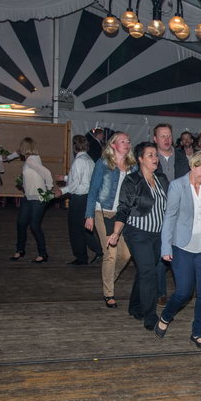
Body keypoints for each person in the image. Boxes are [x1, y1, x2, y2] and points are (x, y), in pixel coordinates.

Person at [154, 151, 201, 346]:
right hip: (182, 246)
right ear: (193, 166)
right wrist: (166, 247)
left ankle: (197, 332)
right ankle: (166, 316)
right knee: (184, 292)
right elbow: (170, 217)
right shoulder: (177, 186)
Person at [107, 142, 169, 331]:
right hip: (138, 233)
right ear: (140, 159)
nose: (155, 158)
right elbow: (123, 208)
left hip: (158, 234)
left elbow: (170, 206)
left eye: (156, 155)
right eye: (150, 155)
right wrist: (116, 232)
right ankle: (150, 317)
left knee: (145, 271)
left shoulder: (162, 179)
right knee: (149, 272)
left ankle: (135, 306)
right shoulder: (132, 180)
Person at [85, 132, 136, 308]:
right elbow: (93, 189)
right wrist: (89, 215)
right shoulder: (103, 163)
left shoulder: (133, 167)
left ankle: (108, 278)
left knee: (126, 254)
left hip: (122, 215)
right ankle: (109, 293)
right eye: (122, 141)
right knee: (110, 254)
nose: (127, 143)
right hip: (103, 211)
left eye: (128, 141)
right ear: (113, 145)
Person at [153, 123, 191, 305]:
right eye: (162, 136)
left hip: (181, 212)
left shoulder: (182, 158)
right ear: (155, 139)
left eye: (169, 135)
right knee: (162, 252)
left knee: (180, 251)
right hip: (158, 213)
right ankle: (160, 292)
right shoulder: (151, 157)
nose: (167, 139)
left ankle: (182, 291)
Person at [56, 135, 101, 265]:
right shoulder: (89, 159)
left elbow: (76, 182)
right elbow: (84, 178)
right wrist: (65, 178)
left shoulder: (78, 161)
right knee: (83, 227)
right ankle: (98, 250)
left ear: (74, 147)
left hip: (79, 198)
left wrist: (62, 190)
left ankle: (82, 257)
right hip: (87, 197)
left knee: (75, 228)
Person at [10, 137, 53, 263]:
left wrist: (49, 190)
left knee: (34, 225)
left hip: (37, 197)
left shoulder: (31, 160)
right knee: (21, 223)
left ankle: (43, 254)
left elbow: (47, 173)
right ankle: (20, 250)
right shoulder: (32, 159)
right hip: (29, 196)